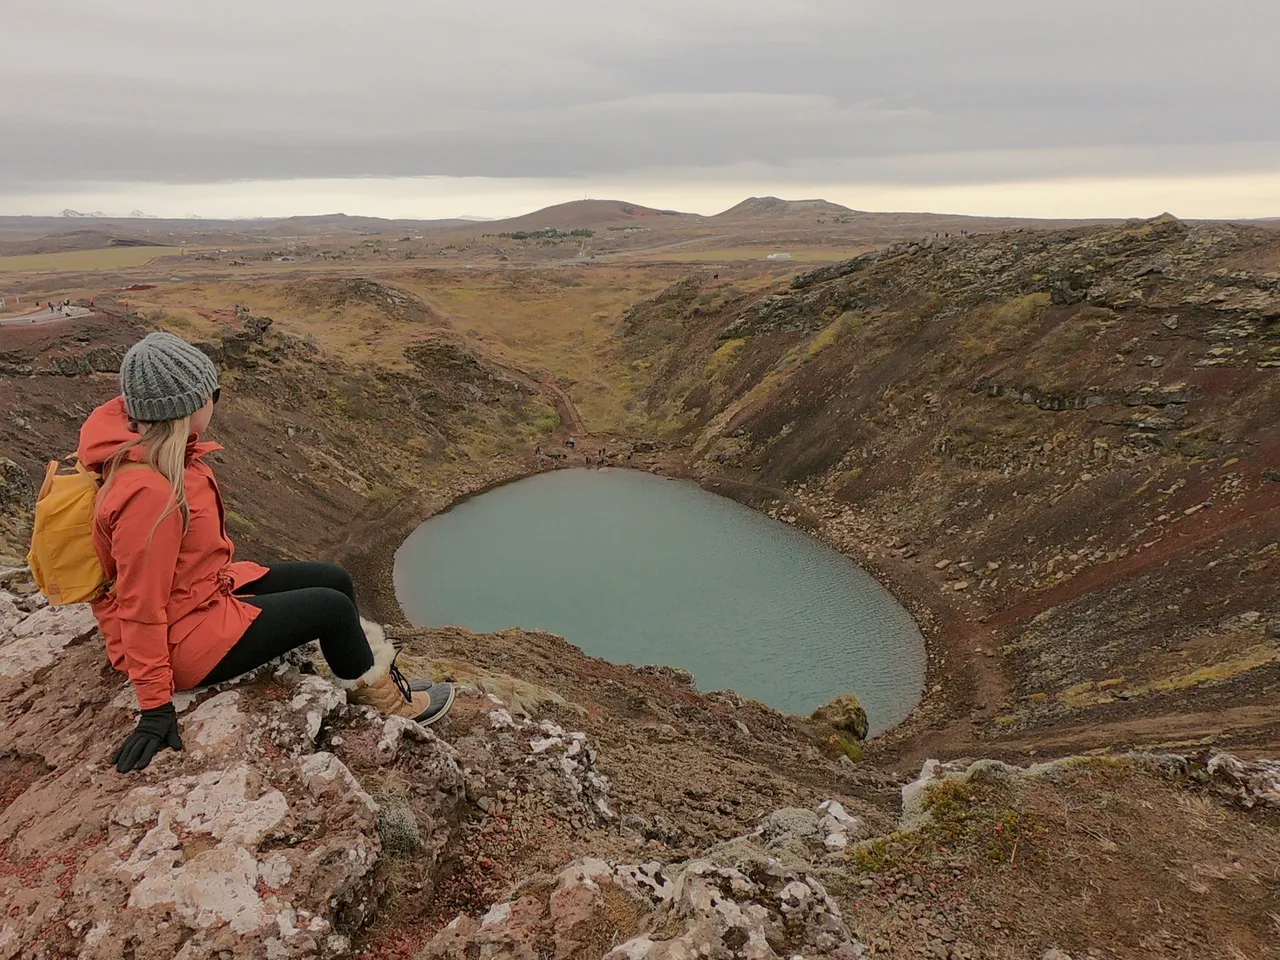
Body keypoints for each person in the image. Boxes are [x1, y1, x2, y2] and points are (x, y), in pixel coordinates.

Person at [80, 332, 453, 773]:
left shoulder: (159, 452)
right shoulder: (150, 494)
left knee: (335, 577)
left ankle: (370, 674)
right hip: (184, 641)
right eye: (212, 393)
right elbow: (140, 607)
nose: (216, 402)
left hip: (202, 597)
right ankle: (384, 706)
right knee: (330, 609)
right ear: (186, 408)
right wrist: (155, 707)